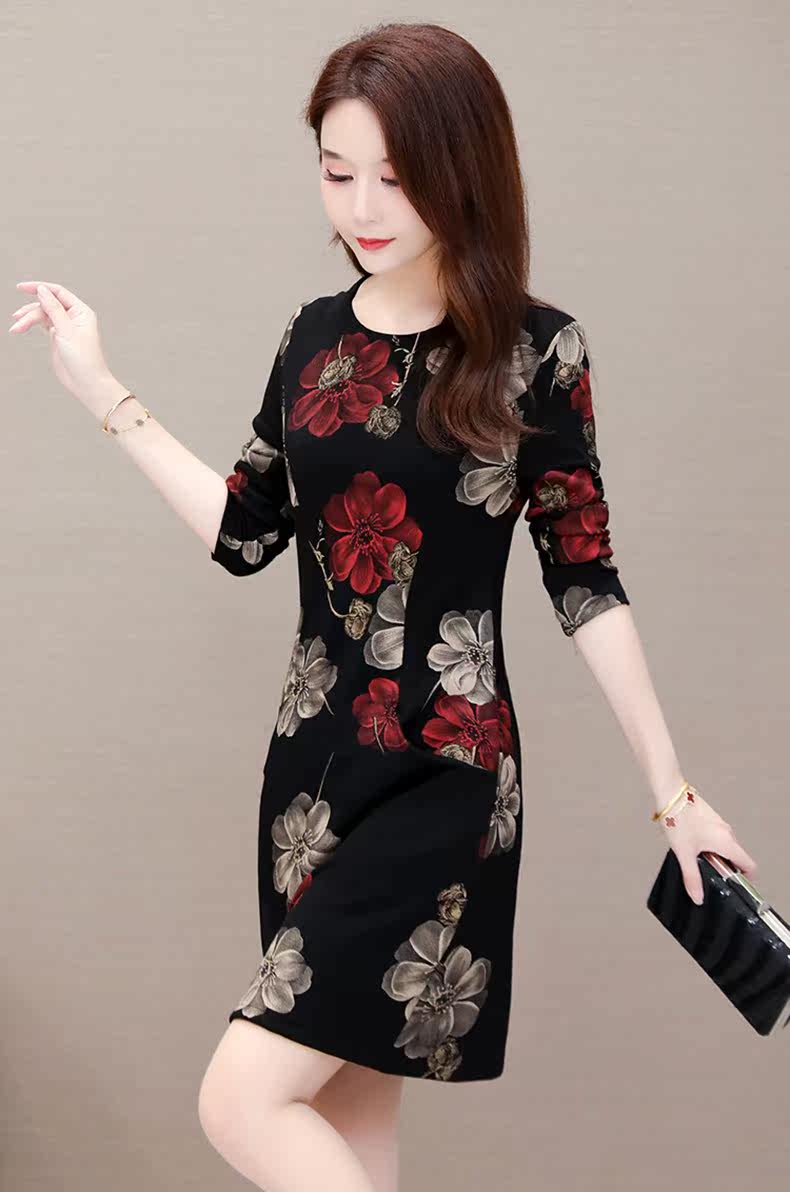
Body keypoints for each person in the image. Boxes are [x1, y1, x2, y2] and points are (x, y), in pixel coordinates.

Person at [10, 19, 758, 1192]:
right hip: (312, 777)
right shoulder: (313, 338)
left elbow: (585, 578)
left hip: (448, 773)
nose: (361, 207)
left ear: (463, 169)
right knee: (348, 1123)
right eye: (336, 171)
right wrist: (103, 389)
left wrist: (674, 794)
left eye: (395, 179)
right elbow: (246, 532)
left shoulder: (534, 351)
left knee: (242, 1098)